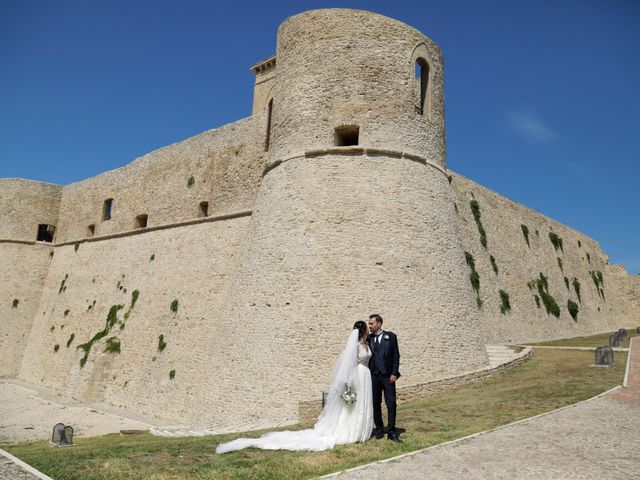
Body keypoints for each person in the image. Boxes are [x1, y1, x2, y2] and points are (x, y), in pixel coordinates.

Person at [216, 321, 373, 453]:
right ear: (363, 331)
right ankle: (350, 431)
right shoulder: (354, 347)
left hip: (366, 377)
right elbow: (349, 366)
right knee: (352, 406)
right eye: (367, 327)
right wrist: (349, 384)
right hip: (358, 377)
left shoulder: (366, 344)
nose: (368, 329)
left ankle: (360, 430)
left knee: (361, 404)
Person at [367, 313, 401, 442]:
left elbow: (396, 356)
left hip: (388, 377)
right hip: (374, 377)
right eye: (369, 323)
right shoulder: (368, 339)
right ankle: (380, 429)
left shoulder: (390, 337)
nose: (369, 325)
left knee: (391, 403)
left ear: (379, 324)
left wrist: (394, 373)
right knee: (376, 403)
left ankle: (392, 431)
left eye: (371, 323)